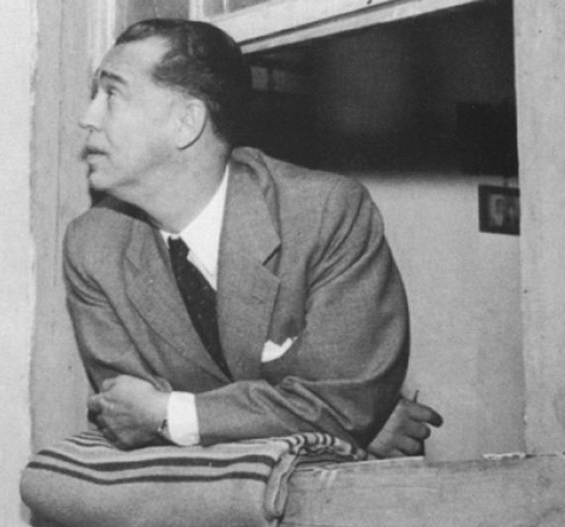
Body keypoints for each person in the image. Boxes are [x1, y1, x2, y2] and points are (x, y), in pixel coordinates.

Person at [66, 18, 441, 456]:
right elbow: (129, 415)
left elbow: (341, 403)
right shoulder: (92, 245)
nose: (87, 118)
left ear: (187, 122)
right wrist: (339, 418)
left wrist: (171, 413)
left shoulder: (325, 213)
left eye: (112, 94)